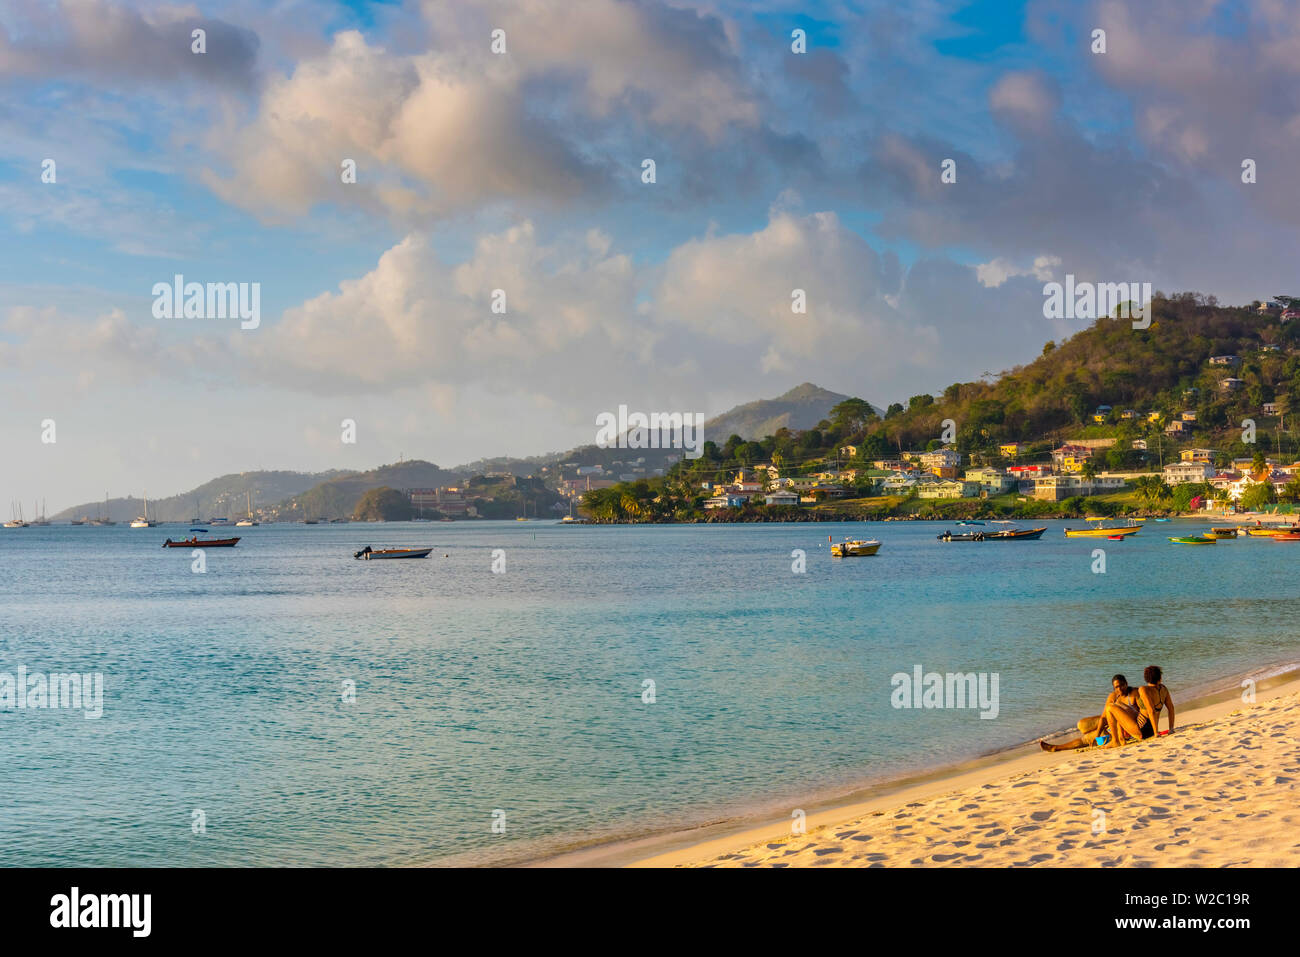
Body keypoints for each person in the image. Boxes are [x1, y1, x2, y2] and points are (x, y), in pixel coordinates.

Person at [1039, 674, 1142, 752]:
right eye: (1116, 687)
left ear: (1126, 684)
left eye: (1121, 686)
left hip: (1124, 729)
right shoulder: (1113, 696)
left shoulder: (1134, 693)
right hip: (1110, 725)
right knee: (1082, 725)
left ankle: (1056, 747)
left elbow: (1144, 712)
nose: (1119, 689)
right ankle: (1056, 747)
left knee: (1086, 739)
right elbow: (1103, 717)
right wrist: (1097, 735)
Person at [1136, 665, 1175, 735]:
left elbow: (1151, 711)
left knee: (1115, 707)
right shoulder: (1164, 689)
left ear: (1146, 678)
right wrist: (1171, 729)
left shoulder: (1143, 689)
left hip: (1142, 728)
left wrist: (1156, 733)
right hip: (1153, 727)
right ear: (1159, 677)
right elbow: (1171, 708)